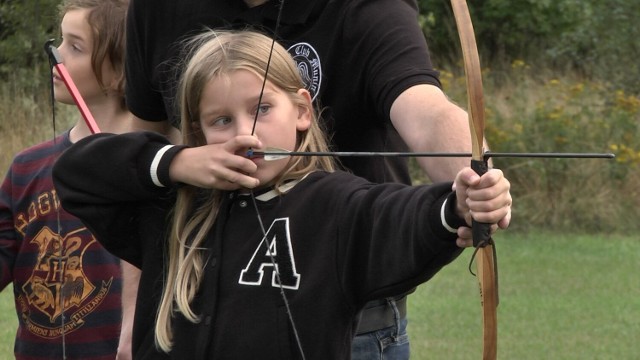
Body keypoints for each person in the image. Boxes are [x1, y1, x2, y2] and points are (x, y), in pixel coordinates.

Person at [52, 30, 512, 359]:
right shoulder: (174, 207)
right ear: (197, 132)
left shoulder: (333, 205)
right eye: (220, 120)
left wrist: (460, 205)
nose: (246, 131)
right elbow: (77, 172)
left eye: (262, 109)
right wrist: (177, 162)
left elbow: (399, 217)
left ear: (302, 112)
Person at [0, 0, 137, 358]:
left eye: (75, 47)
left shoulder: (156, 165)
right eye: (59, 41)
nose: (55, 56)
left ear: (121, 69)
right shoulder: (26, 167)